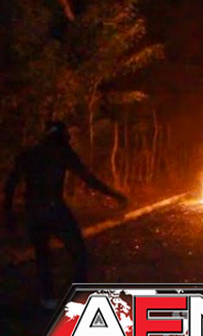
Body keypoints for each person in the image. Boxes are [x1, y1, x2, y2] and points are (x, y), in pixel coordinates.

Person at [3, 121, 127, 309]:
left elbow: (11, 184)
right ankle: (79, 294)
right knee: (78, 250)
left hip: (33, 210)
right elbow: (89, 179)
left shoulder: (29, 154)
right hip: (55, 209)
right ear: (63, 137)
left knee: (42, 253)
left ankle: (48, 297)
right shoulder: (63, 153)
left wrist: (9, 214)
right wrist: (115, 195)